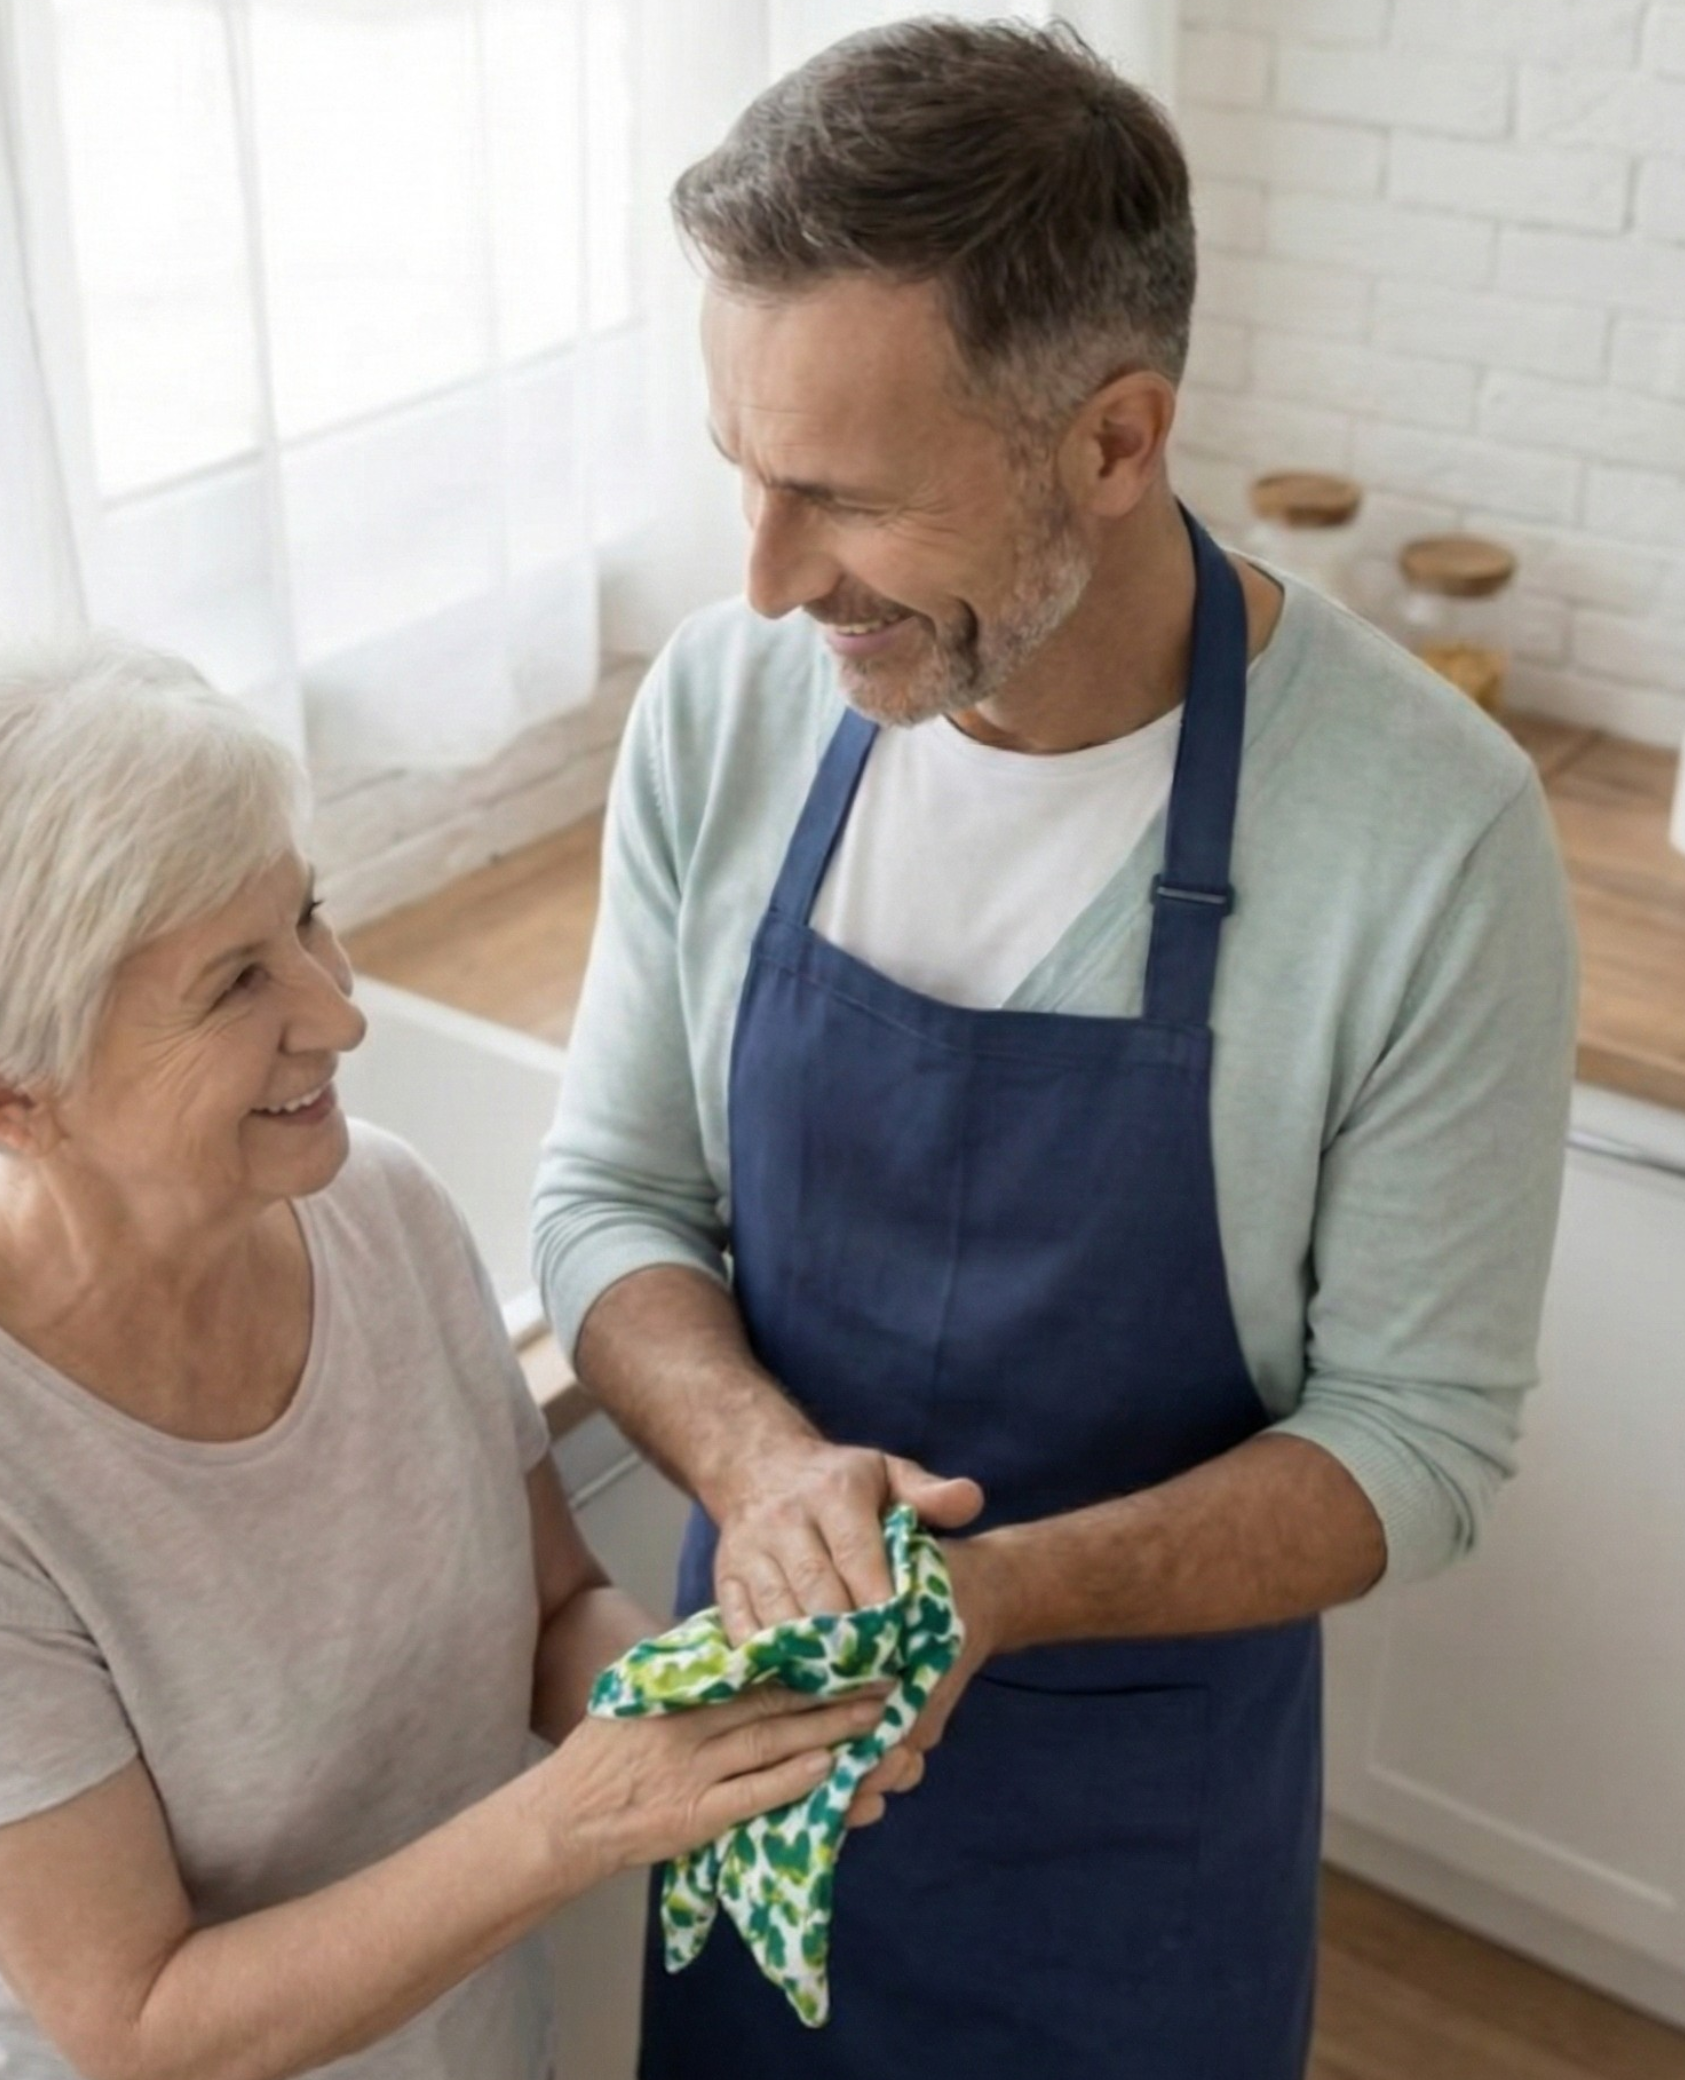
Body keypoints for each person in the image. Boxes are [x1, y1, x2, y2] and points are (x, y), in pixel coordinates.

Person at [531, 20, 1578, 2077]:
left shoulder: (1427, 838)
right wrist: (763, 1471)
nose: (766, 579)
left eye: (842, 497)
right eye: (743, 471)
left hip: (1135, 1856)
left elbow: (1416, 1442)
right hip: (754, 1771)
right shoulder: (726, 714)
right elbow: (612, 1195)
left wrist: (989, 1596)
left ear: (1112, 441)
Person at [0, 636, 917, 2080]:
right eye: (235, 983)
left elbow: (549, 1608)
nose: (340, 1011)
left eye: (307, 916)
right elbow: (142, 2024)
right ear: (6, 1086)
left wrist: (732, 1726)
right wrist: (587, 1811)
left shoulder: (374, 1204)